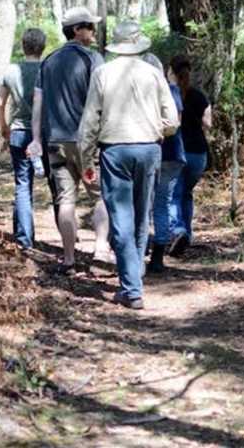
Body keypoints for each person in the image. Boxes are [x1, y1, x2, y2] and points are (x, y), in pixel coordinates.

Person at [78, 21, 179, 309]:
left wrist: (85, 159)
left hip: (115, 151)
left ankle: (131, 288)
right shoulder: (153, 73)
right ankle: (135, 280)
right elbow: (172, 120)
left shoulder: (102, 73)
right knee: (140, 215)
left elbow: (89, 122)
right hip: (149, 149)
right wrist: (155, 131)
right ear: (139, 45)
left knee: (121, 217)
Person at [27, 7, 109, 274]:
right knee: (100, 196)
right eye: (90, 26)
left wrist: (36, 138)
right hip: (86, 144)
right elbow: (104, 99)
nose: (94, 32)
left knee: (66, 200)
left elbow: (37, 104)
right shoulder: (93, 59)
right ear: (77, 30)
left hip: (55, 143)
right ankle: (99, 249)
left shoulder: (48, 62)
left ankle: (69, 259)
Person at [0, 28, 46, 250]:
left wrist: (4, 128)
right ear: (42, 47)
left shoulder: (11, 70)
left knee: (22, 184)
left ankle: (24, 238)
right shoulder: (47, 69)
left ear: (23, 46)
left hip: (18, 131)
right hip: (44, 135)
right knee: (57, 186)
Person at [169, 55, 212, 256]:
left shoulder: (169, 96)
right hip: (199, 153)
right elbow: (208, 124)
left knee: (174, 194)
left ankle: (178, 231)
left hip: (177, 151)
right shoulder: (200, 96)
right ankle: (187, 234)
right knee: (186, 193)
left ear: (171, 72)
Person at [148, 63, 186, 274]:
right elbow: (176, 120)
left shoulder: (145, 91)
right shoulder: (171, 90)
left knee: (144, 204)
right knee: (162, 204)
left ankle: (142, 247)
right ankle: (157, 257)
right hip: (174, 155)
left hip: (153, 152)